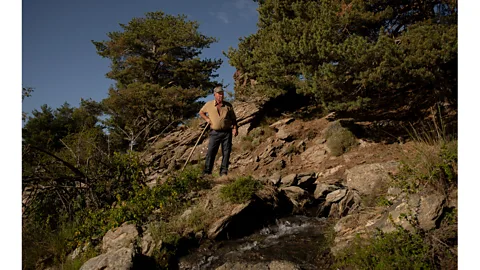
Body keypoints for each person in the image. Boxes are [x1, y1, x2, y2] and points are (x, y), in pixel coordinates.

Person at [199, 86, 238, 176]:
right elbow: (201, 112)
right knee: (211, 152)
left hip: (227, 132)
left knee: (226, 152)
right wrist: (207, 119)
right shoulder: (209, 105)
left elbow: (233, 119)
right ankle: (207, 171)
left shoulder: (228, 105)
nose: (221, 96)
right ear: (215, 95)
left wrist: (235, 128)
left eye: (222, 94)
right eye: (219, 94)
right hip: (214, 133)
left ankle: (223, 172)